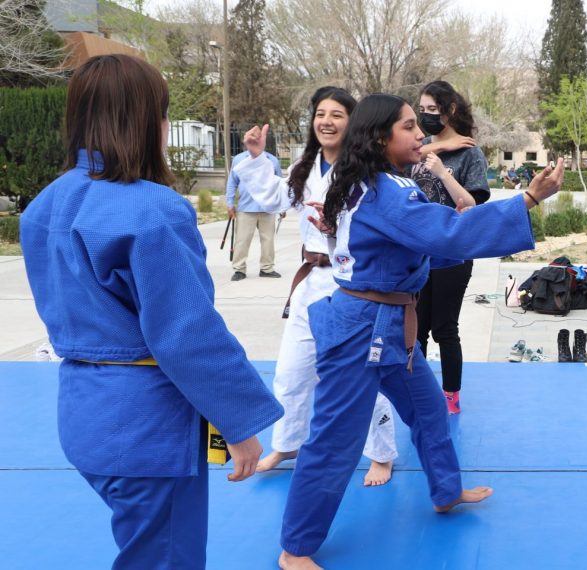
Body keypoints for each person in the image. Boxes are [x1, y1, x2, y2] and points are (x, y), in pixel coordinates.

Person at [277, 93, 565, 570]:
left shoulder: (371, 183)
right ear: (378, 137)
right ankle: (295, 547)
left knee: (430, 411)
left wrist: (457, 233)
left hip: (389, 326)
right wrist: (529, 199)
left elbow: (427, 243)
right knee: (334, 439)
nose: (420, 135)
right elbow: (447, 235)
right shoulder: (387, 192)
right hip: (361, 331)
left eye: (418, 126)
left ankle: (445, 491)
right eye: (409, 127)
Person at [20, 54, 284, 568]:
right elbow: (187, 333)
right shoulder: (152, 210)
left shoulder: (43, 206)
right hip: (146, 426)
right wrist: (238, 423)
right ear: (146, 122)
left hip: (83, 411)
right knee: (164, 558)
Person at [230, 87, 398, 486]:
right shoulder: (304, 167)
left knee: (360, 374)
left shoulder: (365, 174)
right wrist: (256, 156)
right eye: (320, 113)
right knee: (291, 370)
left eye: (337, 114)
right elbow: (271, 198)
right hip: (310, 280)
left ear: (352, 122)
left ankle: (381, 454)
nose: (326, 121)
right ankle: (288, 442)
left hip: (350, 285)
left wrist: (334, 230)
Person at [407, 80, 490, 414]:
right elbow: (389, 161)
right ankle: (418, 390)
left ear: (450, 110)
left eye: (433, 110)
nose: (426, 117)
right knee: (415, 330)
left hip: (453, 256)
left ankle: (450, 395)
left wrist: (443, 167)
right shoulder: (421, 145)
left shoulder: (470, 153)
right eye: (422, 110)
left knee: (444, 328)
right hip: (416, 254)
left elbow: (472, 204)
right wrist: (438, 147)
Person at [227, 145, 284, 281]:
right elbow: (232, 181)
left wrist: (282, 206)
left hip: (268, 207)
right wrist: (230, 203)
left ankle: (267, 268)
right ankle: (239, 269)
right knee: (242, 240)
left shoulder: (272, 160)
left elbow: (279, 184)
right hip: (245, 208)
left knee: (268, 240)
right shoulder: (239, 159)